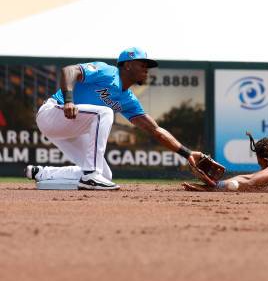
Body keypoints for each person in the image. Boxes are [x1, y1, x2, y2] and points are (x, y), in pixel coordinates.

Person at [25, 47, 221, 190]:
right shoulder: (107, 72)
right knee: (105, 112)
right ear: (127, 65)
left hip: (73, 128)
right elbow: (69, 70)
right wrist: (68, 100)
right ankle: (90, 177)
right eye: (142, 64)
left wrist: (187, 153)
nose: (146, 68)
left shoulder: (128, 100)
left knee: (106, 174)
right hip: (53, 113)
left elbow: (155, 130)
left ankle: (43, 173)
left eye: (148, 65)